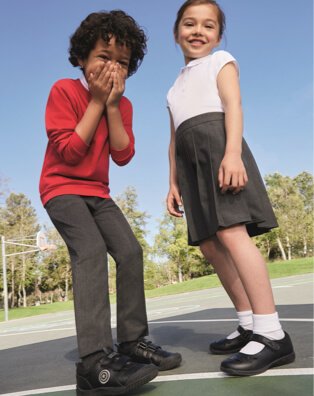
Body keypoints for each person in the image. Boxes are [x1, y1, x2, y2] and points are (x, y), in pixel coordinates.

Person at [39, 10, 181, 395]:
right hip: (61, 188)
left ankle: (133, 343)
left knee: (131, 252)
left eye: (122, 62)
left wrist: (113, 105)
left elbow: (123, 154)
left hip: (97, 193)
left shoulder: (124, 105)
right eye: (103, 56)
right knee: (90, 249)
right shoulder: (64, 91)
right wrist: (96, 101)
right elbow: (68, 152)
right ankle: (93, 364)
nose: (112, 66)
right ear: (83, 58)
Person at [166, 0, 295, 376]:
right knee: (208, 242)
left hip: (219, 150)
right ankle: (247, 323)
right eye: (189, 24)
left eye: (208, 25)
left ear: (218, 35)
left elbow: (233, 104)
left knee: (232, 233)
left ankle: (272, 332)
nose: (198, 31)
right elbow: (173, 139)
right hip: (190, 165)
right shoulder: (173, 87)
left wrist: (232, 153)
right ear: (177, 32)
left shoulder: (221, 60)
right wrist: (172, 181)